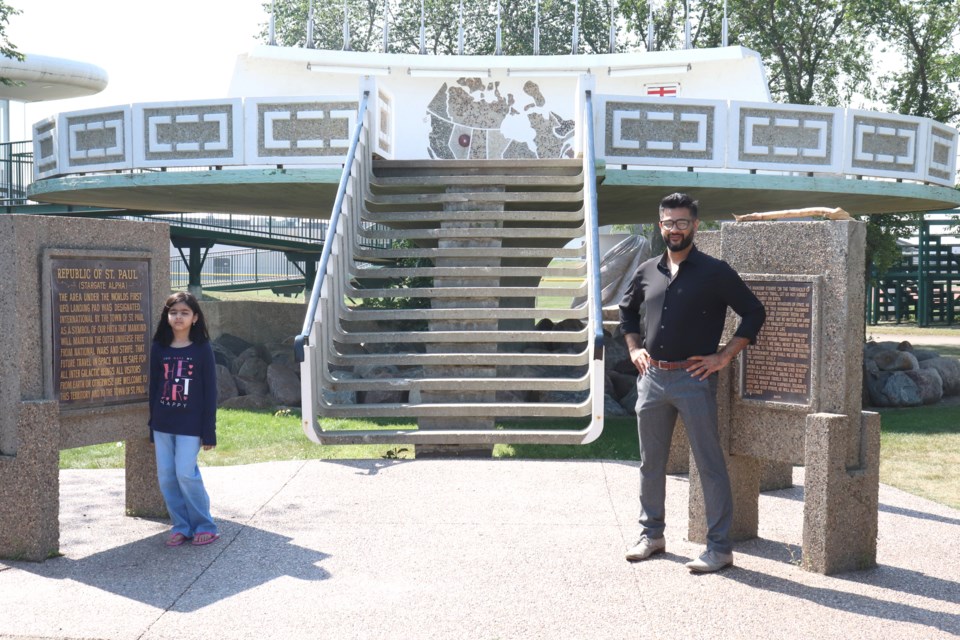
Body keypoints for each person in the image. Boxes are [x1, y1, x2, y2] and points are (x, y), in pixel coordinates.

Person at [618, 193, 765, 573]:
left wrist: (724, 356)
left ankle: (719, 548)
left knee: (709, 463)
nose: (675, 229)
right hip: (652, 378)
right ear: (660, 224)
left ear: (695, 225)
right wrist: (635, 349)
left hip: (694, 380)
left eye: (682, 222)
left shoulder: (716, 272)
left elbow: (753, 312)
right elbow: (626, 312)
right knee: (651, 462)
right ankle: (651, 534)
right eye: (668, 222)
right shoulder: (648, 269)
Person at [149, 291, 220, 547]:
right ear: (167, 317)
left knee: (185, 473)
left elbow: (210, 392)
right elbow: (154, 388)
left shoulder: (202, 350)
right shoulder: (159, 348)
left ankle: (205, 525)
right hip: (162, 424)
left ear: (195, 318)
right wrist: (152, 425)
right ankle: (181, 526)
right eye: (174, 312)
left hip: (190, 425)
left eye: (184, 312)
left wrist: (208, 431)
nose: (178, 317)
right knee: (167, 476)